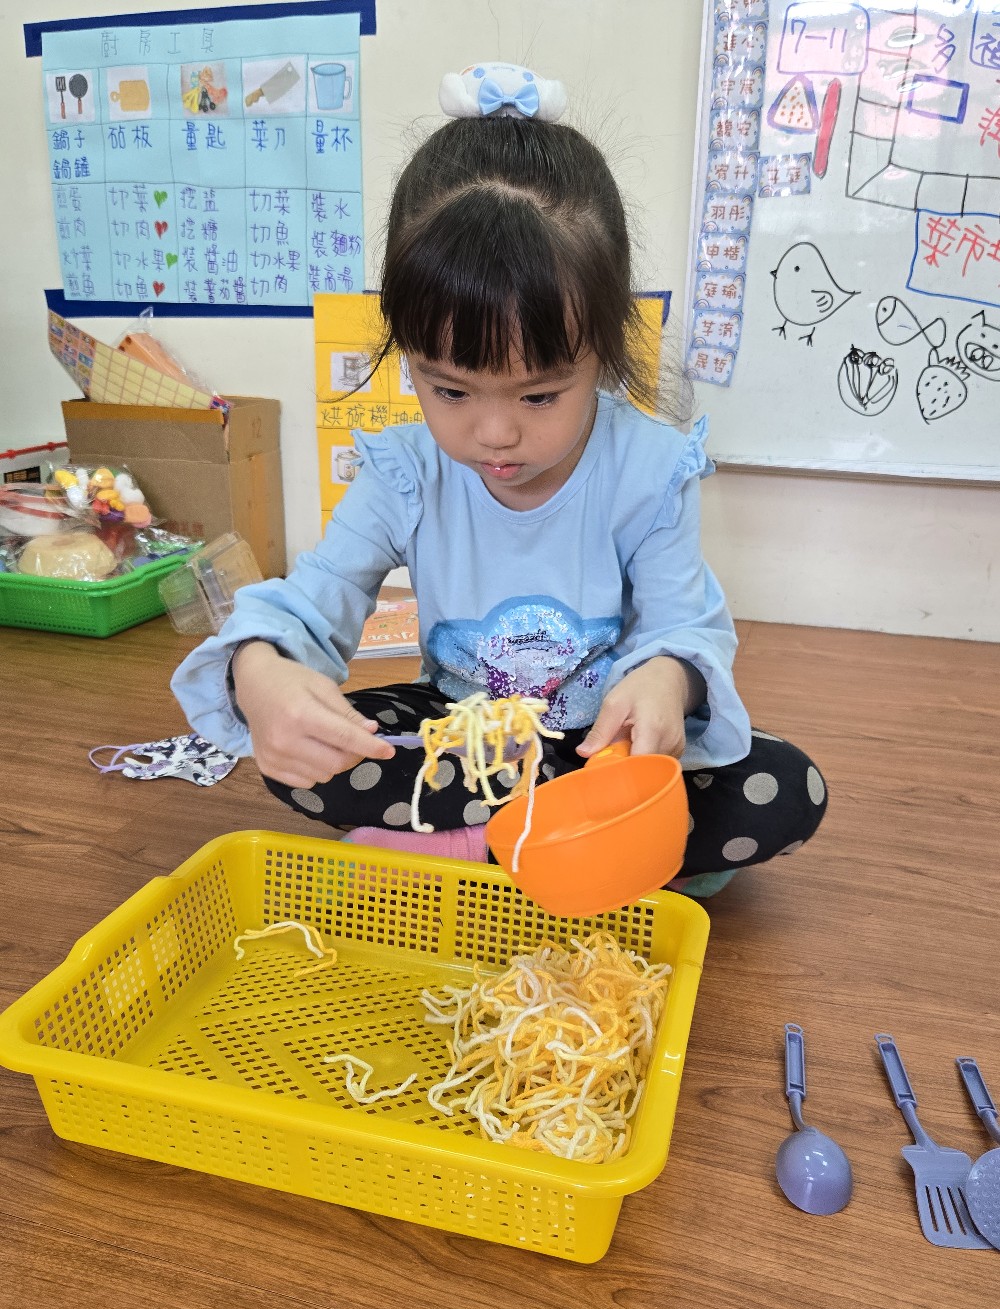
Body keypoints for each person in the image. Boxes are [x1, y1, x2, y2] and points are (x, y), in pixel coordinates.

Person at [171, 66, 828, 898]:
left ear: (604, 352)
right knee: (317, 749)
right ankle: (584, 849)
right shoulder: (405, 471)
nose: (494, 433)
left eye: (539, 395)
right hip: (466, 741)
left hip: (601, 750)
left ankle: (486, 842)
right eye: (450, 389)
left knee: (783, 788)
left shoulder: (649, 470)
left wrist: (667, 679)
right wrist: (260, 672)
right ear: (407, 354)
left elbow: (682, 627)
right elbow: (310, 601)